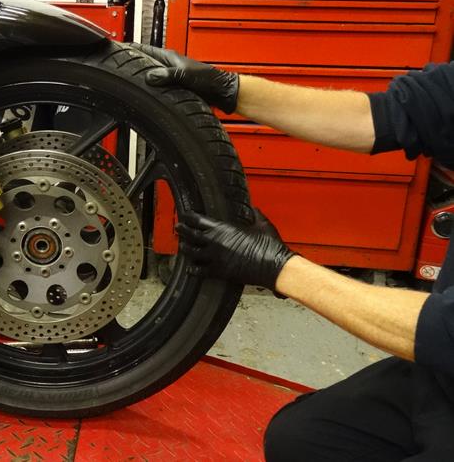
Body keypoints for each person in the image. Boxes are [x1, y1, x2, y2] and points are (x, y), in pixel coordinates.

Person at [130, 43, 454, 462]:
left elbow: (446, 332)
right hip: (440, 379)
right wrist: (230, 89)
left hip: (442, 347)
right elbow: (381, 116)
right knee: (301, 440)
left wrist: (281, 269)